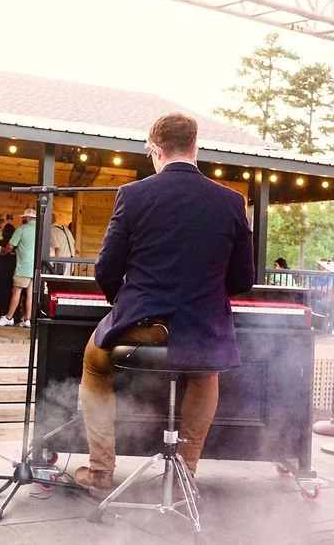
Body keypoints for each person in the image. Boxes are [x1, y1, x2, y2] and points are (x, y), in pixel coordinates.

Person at [74, 112, 253, 495]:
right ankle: (185, 473)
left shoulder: (133, 195)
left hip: (145, 326)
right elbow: (243, 279)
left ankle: (101, 471)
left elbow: (106, 269)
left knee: (94, 363)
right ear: (195, 147)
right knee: (205, 374)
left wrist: (124, 307)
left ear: (156, 150)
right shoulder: (231, 201)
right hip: (202, 330)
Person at [0, 209, 38, 328]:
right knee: (30, 293)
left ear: (28, 218)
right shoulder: (40, 230)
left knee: (16, 291)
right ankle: (27, 319)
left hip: (23, 266)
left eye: (24, 217)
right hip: (35, 266)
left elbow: (10, 246)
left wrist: (4, 252)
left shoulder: (22, 229)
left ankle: (9, 317)